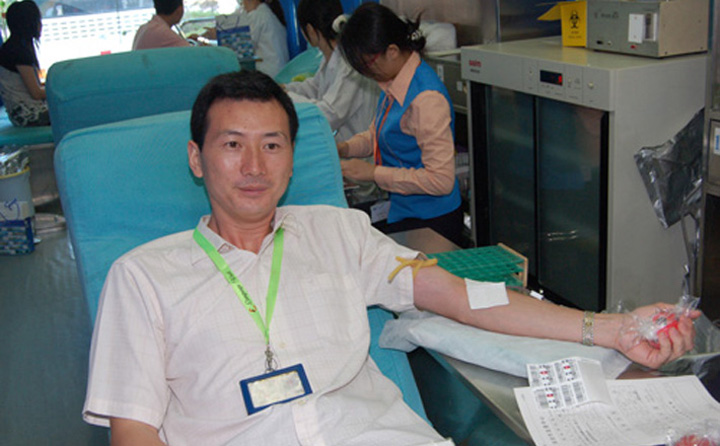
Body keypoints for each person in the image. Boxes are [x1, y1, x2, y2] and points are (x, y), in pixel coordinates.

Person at [83, 70, 699, 446]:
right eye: (232, 145)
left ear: (292, 158)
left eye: (272, 144)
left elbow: (463, 295)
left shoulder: (340, 235)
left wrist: (609, 329)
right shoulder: (142, 277)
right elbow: (134, 430)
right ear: (197, 158)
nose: (253, 166)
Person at [336, 3, 463, 245]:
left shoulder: (425, 99)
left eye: (368, 64)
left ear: (392, 51)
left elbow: (441, 180)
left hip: (432, 221)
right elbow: (379, 134)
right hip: (403, 211)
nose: (367, 73)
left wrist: (373, 173)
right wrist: (345, 148)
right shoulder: (393, 81)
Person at [283, 0, 377, 143]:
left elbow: (329, 115)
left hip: (359, 154)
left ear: (310, 30)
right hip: (344, 148)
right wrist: (285, 89)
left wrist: (287, 96)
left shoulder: (349, 63)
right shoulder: (331, 57)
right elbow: (315, 87)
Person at [0, 0, 49, 127]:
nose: (41, 24)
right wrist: (59, 90)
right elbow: (36, 93)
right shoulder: (18, 51)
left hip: (20, 112)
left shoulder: (13, 46)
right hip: (27, 114)